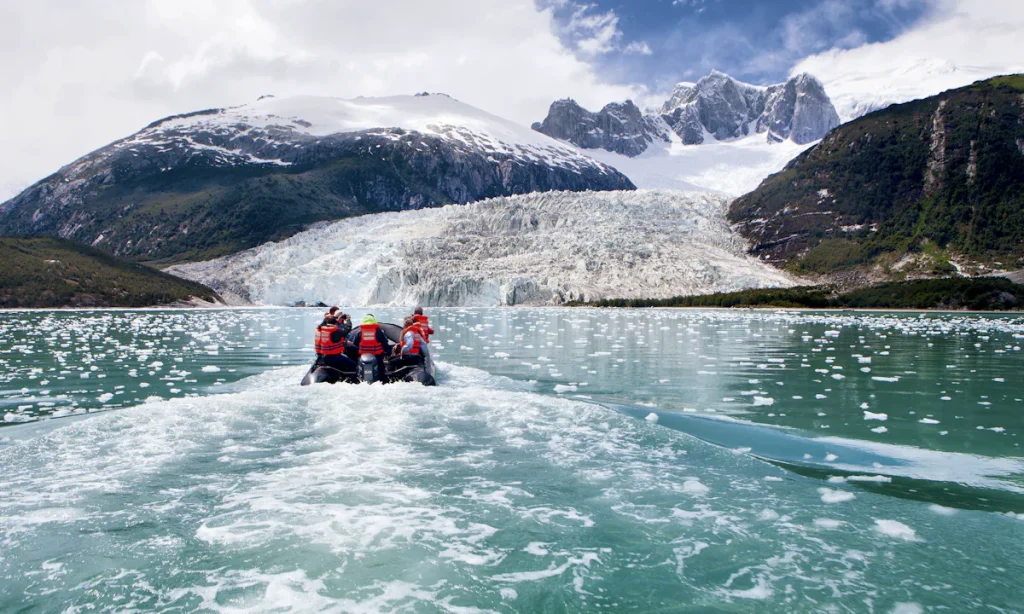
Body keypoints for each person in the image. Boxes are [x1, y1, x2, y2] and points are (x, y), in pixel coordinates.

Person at [358, 314, 391, 381]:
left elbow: (355, 344)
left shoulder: (360, 332)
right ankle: (383, 379)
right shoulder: (378, 332)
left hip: (363, 356)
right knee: (381, 369)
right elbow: (385, 343)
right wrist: (387, 352)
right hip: (377, 356)